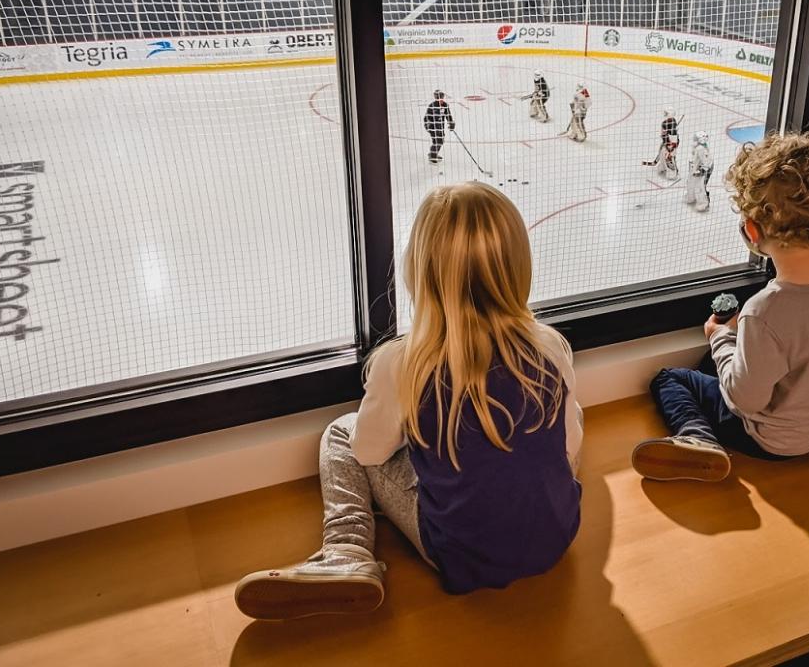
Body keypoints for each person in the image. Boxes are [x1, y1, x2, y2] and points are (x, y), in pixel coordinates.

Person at [235, 182, 584, 617]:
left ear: (421, 271)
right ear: (518, 266)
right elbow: (569, 445)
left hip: (461, 556)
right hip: (556, 536)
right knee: (555, 429)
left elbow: (369, 450)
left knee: (341, 434)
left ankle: (347, 551)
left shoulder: (405, 362)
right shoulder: (550, 346)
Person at [632, 132, 809, 481]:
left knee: (671, 379)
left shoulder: (764, 310)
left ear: (751, 230)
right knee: (795, 354)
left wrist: (719, 337)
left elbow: (744, 401)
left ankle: (698, 438)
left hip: (769, 440)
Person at [424, 90, 455, 163]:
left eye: (441, 96)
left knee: (438, 141)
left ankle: (433, 153)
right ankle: (433, 156)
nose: (440, 98)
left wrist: (451, 123)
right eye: (438, 96)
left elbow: (448, 115)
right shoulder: (432, 106)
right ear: (436, 97)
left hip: (440, 127)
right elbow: (426, 117)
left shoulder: (445, 105)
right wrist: (428, 125)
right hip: (432, 127)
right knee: (438, 141)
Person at [685, 130, 713, 212]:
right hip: (693, 169)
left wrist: (702, 170)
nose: (694, 140)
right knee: (690, 183)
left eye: (696, 138)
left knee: (699, 187)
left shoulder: (701, 149)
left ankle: (703, 203)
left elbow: (707, 161)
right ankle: (690, 197)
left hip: (699, 171)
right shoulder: (697, 147)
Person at [659, 107, 680, 177]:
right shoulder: (672, 121)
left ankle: (672, 174)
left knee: (669, 158)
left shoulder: (667, 123)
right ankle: (663, 168)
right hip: (669, 143)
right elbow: (664, 135)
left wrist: (669, 145)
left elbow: (672, 136)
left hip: (670, 144)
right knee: (662, 154)